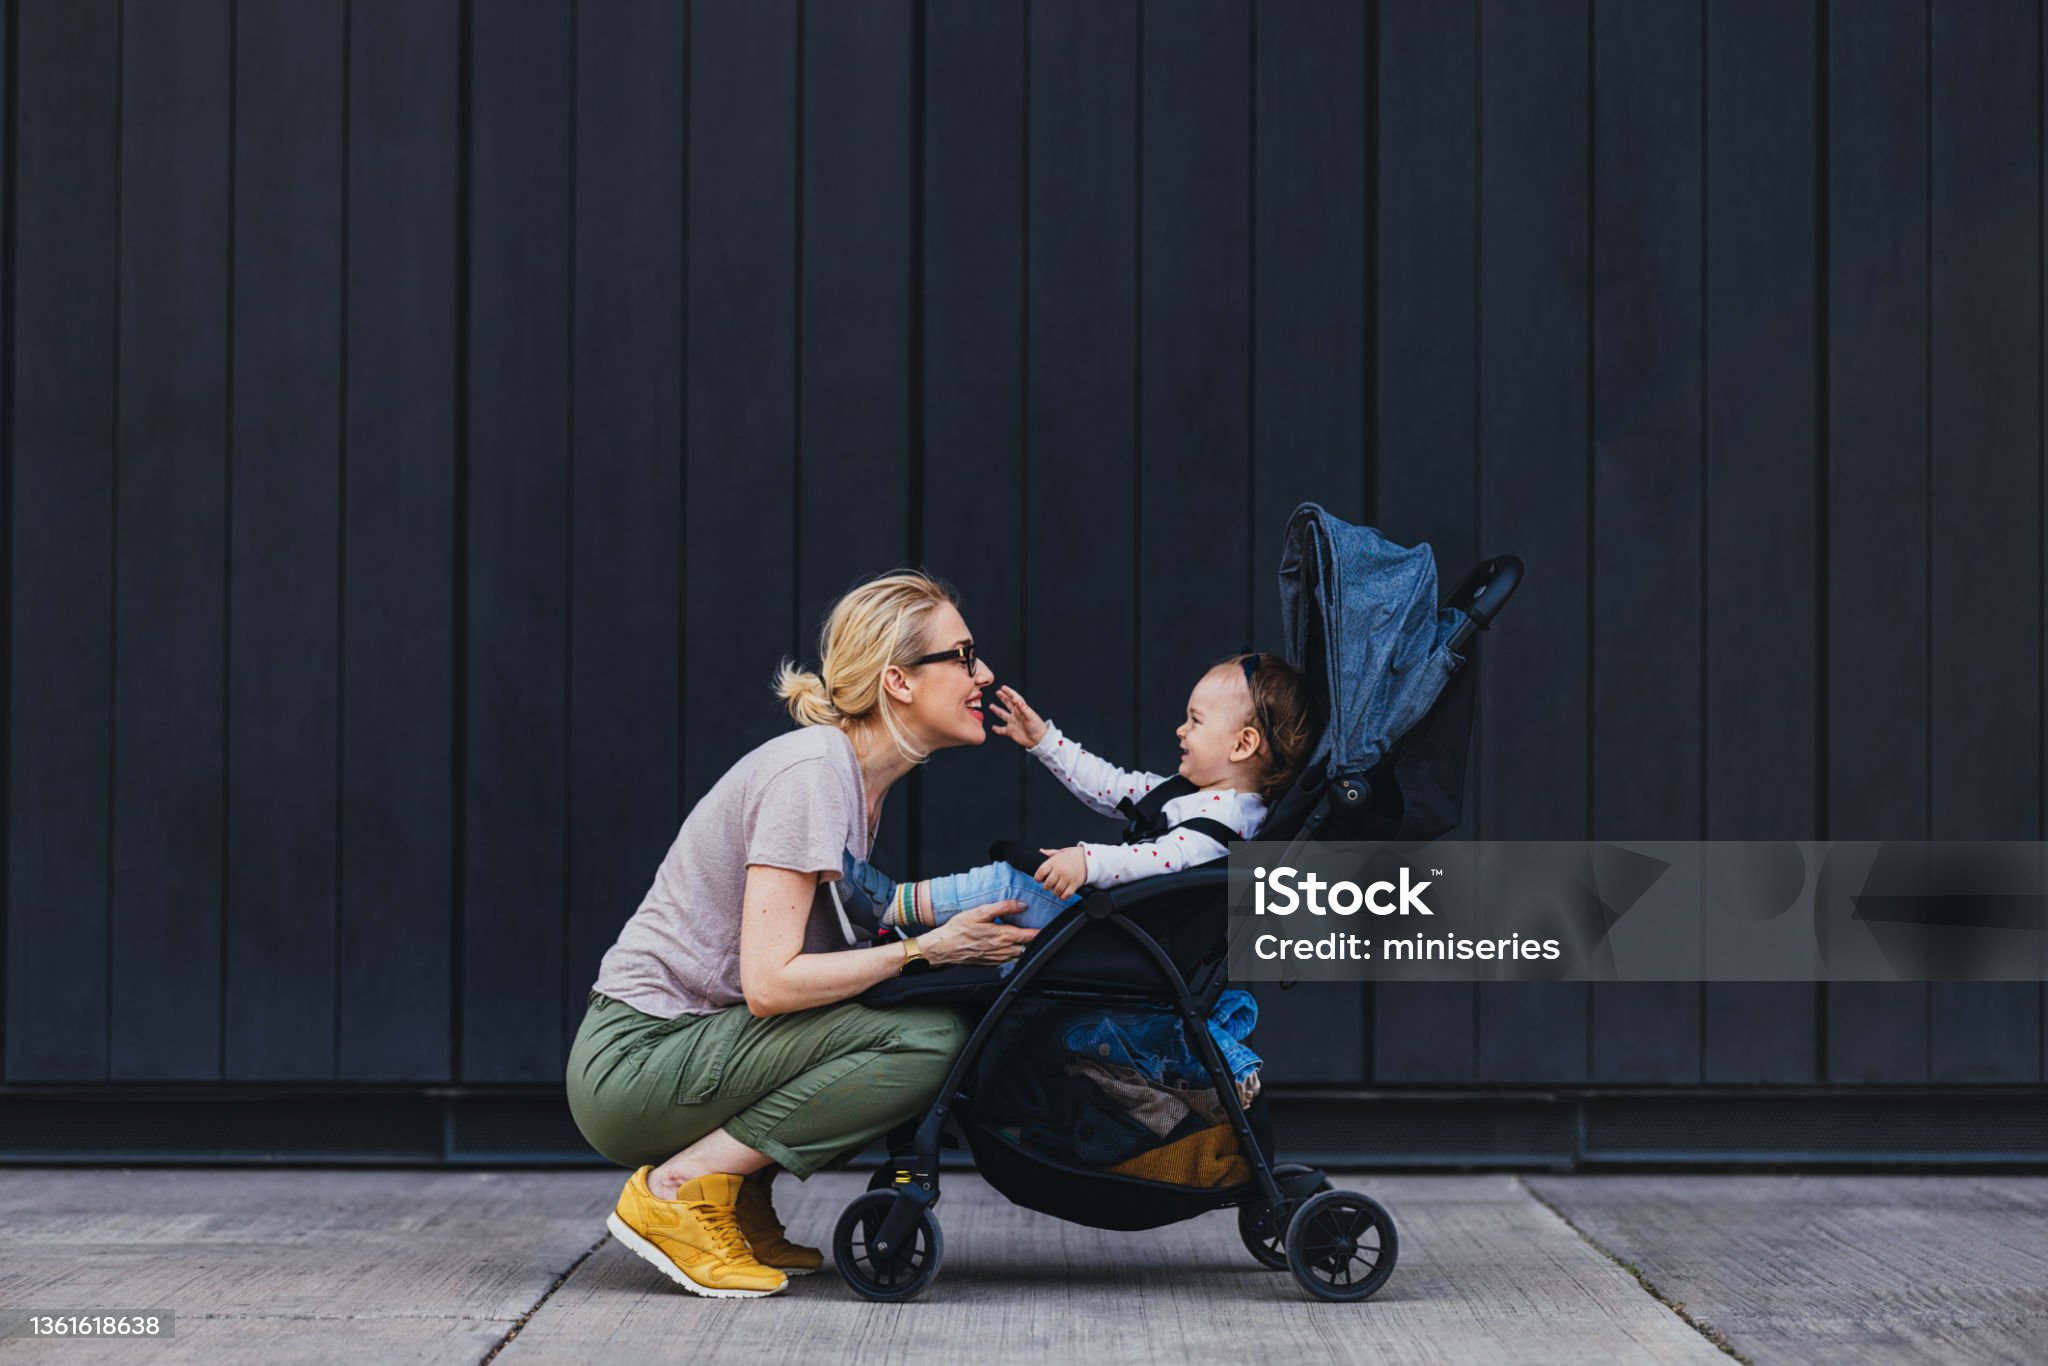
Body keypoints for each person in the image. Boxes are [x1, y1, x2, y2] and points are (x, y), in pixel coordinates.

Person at [565, 571, 1036, 1299]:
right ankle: (681, 1190)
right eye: (964, 656)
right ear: (898, 682)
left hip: (683, 1048)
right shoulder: (814, 773)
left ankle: (736, 1196)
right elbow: (772, 982)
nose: (986, 674)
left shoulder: (854, 784)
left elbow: (852, 930)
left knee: (927, 1021)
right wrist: (927, 951)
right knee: (926, 1040)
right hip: (637, 1059)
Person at [837, 652, 1319, 936]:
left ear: (1243, 744)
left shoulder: (1227, 824)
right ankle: (900, 935)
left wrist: (1088, 861)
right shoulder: (1191, 793)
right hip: (1114, 925)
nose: (1180, 730)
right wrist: (1045, 741)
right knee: (1005, 912)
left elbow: (1160, 859)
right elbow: (1109, 786)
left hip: (1125, 937)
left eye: (1194, 721)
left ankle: (890, 905)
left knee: (1012, 886)